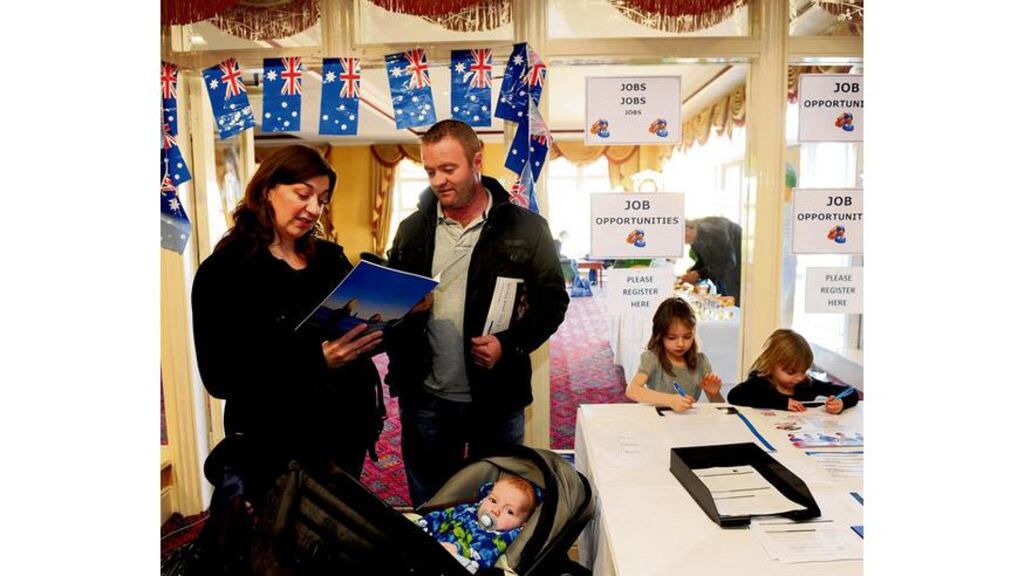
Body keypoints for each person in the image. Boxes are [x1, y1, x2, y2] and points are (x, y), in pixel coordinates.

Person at [385, 119, 569, 506]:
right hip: (427, 397)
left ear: (477, 162)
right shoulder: (411, 229)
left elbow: (553, 302)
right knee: (432, 502)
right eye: (430, 171)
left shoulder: (527, 227)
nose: (438, 180)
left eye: (449, 169)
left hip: (497, 396)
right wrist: (408, 308)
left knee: (500, 504)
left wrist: (509, 345)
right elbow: (392, 307)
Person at [191, 145, 387, 504]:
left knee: (338, 531)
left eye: (323, 200)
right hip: (275, 439)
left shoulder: (329, 258)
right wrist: (317, 361)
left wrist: (398, 312)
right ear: (267, 189)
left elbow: (359, 331)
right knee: (283, 544)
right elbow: (219, 377)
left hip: (347, 429)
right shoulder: (223, 271)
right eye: (303, 194)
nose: (314, 209)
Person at [416, 475, 540, 574]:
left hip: (461, 561)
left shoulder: (504, 537)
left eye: (509, 511)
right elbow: (445, 516)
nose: (495, 511)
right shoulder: (470, 510)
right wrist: (426, 524)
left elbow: (486, 555)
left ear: (523, 523)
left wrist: (458, 550)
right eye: (493, 500)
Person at [625, 297, 724, 412]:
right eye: (672, 338)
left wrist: (715, 393)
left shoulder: (701, 361)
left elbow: (720, 407)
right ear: (660, 335)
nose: (680, 344)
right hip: (659, 421)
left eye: (687, 337)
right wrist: (670, 400)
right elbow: (632, 390)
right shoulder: (652, 358)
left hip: (689, 422)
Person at [727, 329, 859, 414]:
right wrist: (782, 403)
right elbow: (734, 396)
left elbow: (851, 391)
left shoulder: (806, 384)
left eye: (802, 371)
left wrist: (841, 402)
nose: (798, 378)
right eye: (790, 372)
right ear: (772, 365)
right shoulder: (759, 382)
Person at [680, 216, 743, 305]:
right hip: (725, 275)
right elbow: (703, 262)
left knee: (734, 304)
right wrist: (691, 273)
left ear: (686, 230)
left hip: (738, 273)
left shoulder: (709, 229)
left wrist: (698, 274)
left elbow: (727, 261)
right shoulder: (696, 237)